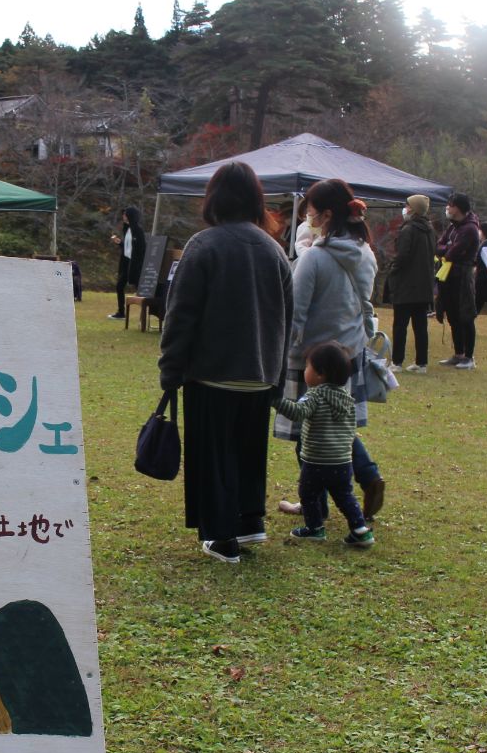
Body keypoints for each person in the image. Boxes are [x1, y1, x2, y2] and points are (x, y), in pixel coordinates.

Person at [158, 162, 292, 564]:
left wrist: (171, 369)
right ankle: (250, 522)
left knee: (213, 456)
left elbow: (180, 314)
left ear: (213, 198)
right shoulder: (274, 250)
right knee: (248, 452)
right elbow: (288, 319)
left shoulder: (204, 245)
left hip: (212, 372)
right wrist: (277, 375)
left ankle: (221, 537)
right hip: (261, 373)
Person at [276, 178, 387, 522]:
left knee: (308, 430)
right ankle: (368, 476)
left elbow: (296, 313)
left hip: (311, 358)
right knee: (337, 425)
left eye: (310, 212)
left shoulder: (314, 258)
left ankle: (314, 504)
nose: (306, 218)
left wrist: (283, 353)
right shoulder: (365, 253)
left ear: (326, 215)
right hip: (349, 354)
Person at [272, 341, 375, 547]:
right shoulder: (346, 398)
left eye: (307, 367)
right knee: (345, 497)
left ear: (320, 374)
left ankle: (314, 528)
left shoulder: (315, 395)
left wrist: (275, 400)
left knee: (308, 495)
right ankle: (360, 530)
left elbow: (298, 413)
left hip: (316, 461)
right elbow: (350, 430)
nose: (305, 371)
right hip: (343, 462)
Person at [386, 194, 436, 372]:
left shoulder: (408, 230)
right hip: (424, 285)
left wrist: (393, 269)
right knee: (420, 325)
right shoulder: (429, 230)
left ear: (413, 209)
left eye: (407, 206)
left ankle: (397, 362)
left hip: (406, 284)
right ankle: (421, 362)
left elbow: (402, 256)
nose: (405, 209)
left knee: (400, 324)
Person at [435, 192, 482, 369]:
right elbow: (439, 246)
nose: (448, 208)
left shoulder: (470, 229)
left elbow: (452, 253)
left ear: (459, 208)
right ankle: (458, 353)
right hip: (449, 275)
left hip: (463, 275)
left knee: (465, 315)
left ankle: (469, 357)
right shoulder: (453, 226)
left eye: (451, 205)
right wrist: (446, 248)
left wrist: (446, 249)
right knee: (453, 314)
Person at [109, 206, 145, 319]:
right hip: (126, 263)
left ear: (131, 216)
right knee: (119, 286)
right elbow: (128, 247)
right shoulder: (127, 229)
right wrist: (120, 243)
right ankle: (121, 312)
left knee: (140, 289)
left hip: (135, 264)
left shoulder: (138, 231)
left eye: (125, 214)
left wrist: (137, 264)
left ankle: (145, 314)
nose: (123, 216)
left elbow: (141, 249)